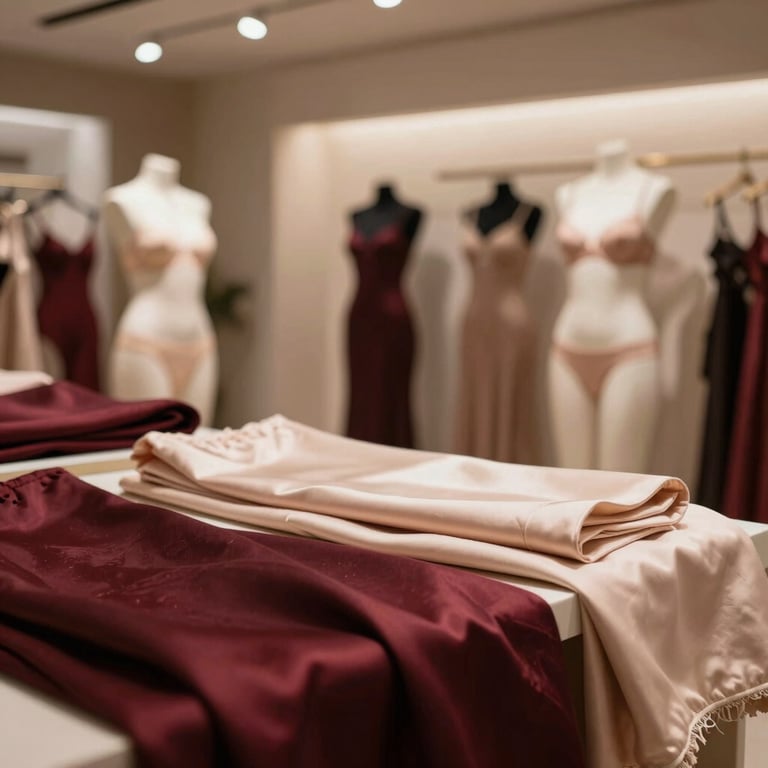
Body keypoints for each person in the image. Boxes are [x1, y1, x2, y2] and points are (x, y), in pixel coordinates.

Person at [549, 139, 676, 472]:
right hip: (566, 346)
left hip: (628, 348)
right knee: (572, 482)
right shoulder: (569, 193)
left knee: (621, 487)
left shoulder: (653, 189)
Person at [103, 153, 218, 424]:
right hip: (145, 340)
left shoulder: (198, 203)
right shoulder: (121, 199)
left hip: (200, 339)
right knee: (146, 447)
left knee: (198, 446)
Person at [345, 183, 423, 447]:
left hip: (393, 316)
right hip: (358, 316)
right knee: (360, 392)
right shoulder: (355, 215)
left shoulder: (411, 214)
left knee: (391, 392)